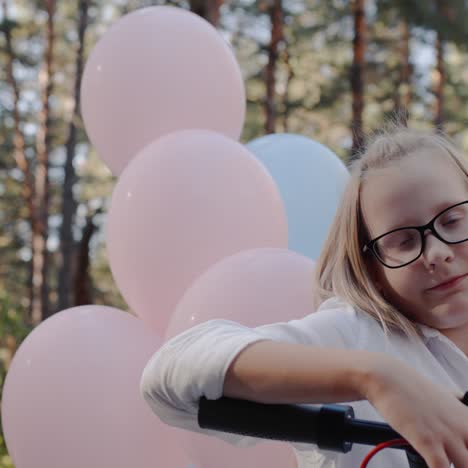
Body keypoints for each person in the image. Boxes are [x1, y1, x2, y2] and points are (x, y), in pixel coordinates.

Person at [140, 126, 468, 468]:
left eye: (453, 220)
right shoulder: (356, 335)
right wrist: (377, 378)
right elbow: (168, 375)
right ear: (372, 269)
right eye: (404, 241)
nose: (437, 252)